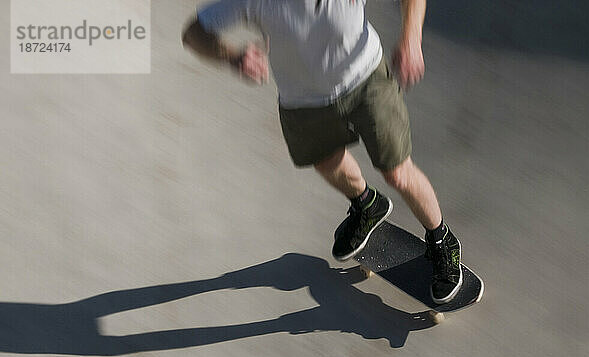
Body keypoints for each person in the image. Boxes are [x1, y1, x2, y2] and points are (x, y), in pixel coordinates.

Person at [182, 0, 462, 303]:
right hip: (303, 100)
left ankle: (442, 240)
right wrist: (233, 56)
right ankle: (367, 205)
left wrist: (411, 39)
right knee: (326, 162)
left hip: (366, 79)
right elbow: (194, 34)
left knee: (397, 172)